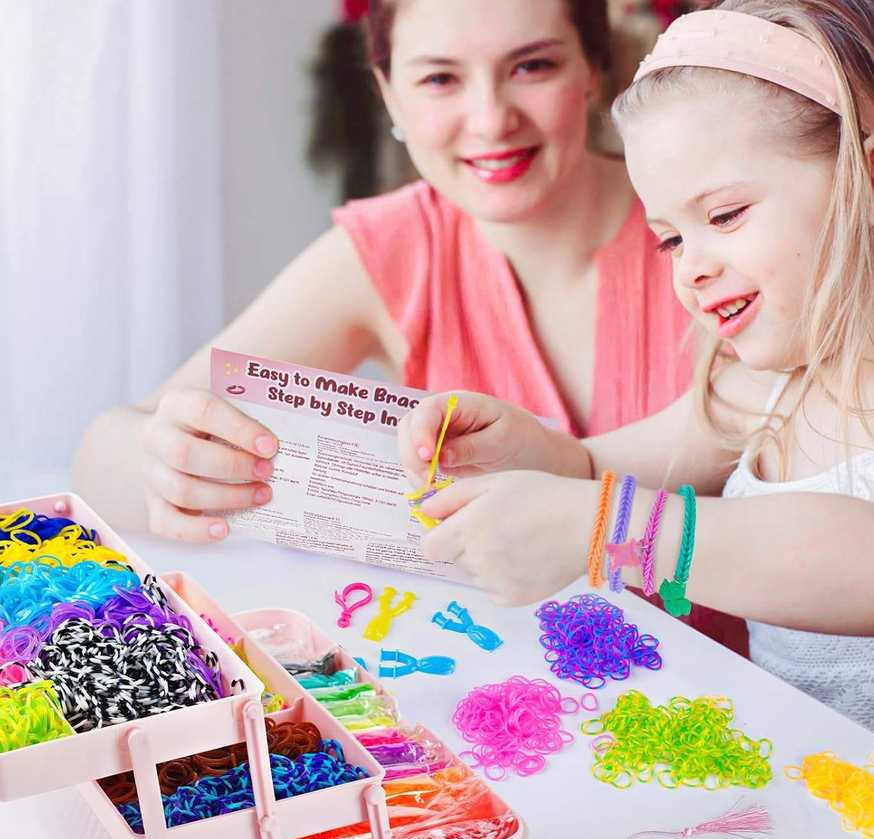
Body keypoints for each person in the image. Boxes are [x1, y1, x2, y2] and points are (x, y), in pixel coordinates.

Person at [397, 0, 874, 779]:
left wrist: (606, 527)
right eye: (669, 238)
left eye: (723, 215)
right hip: (828, 817)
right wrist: (530, 450)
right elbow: (594, 469)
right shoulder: (764, 387)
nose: (690, 268)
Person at [71, 0, 691, 544]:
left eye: (532, 67)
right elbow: (103, 453)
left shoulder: (708, 221)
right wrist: (162, 466)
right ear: (389, 94)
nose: (490, 119)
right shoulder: (388, 251)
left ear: (593, 68)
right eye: (440, 78)